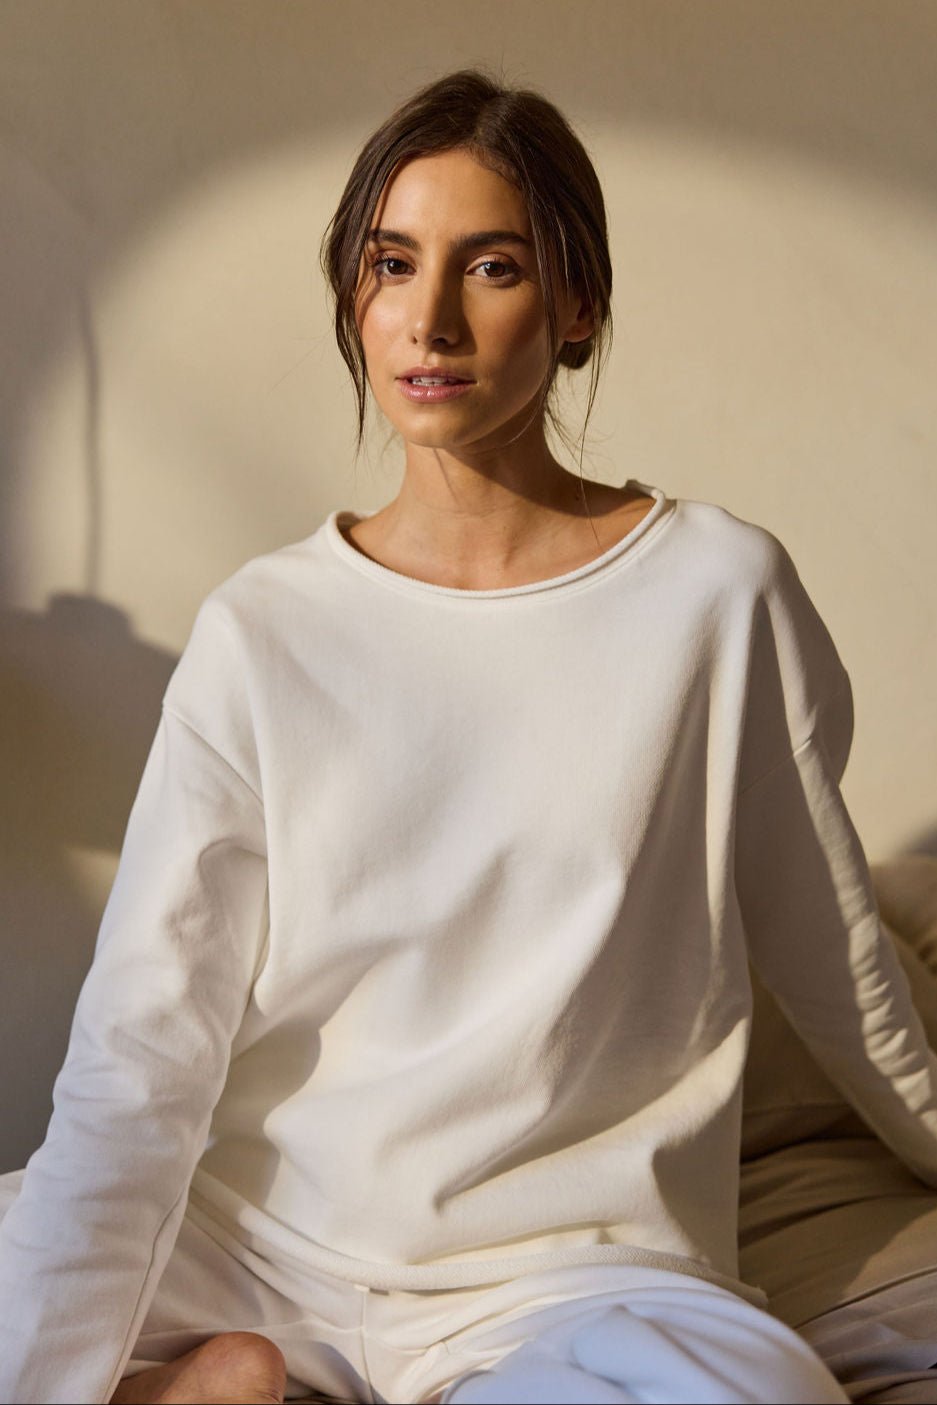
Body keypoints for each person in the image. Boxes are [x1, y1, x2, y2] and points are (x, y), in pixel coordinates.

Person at [1, 65, 935, 1405]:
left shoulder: (714, 596)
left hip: (572, 1274)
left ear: (576, 305)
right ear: (354, 295)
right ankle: (216, 1376)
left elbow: (831, 944)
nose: (427, 318)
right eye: (391, 264)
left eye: (489, 267)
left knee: (759, 1393)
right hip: (258, 1242)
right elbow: (143, 1044)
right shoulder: (265, 628)